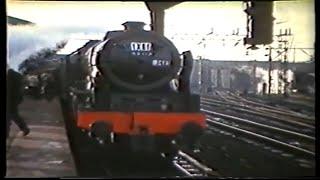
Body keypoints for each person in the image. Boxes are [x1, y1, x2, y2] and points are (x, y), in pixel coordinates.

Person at [7, 65, 30, 138]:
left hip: (12, 99)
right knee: (13, 115)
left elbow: (17, 89)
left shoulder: (14, 76)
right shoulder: (16, 75)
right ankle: (24, 129)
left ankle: (24, 129)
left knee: (11, 115)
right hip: (12, 99)